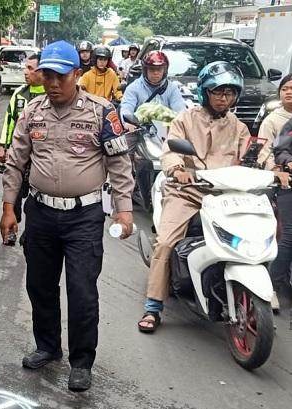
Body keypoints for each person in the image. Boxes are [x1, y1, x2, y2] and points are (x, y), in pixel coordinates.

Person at [0, 40, 135, 392]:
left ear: (77, 73)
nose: (53, 83)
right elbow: (15, 161)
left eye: (61, 75)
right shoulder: (32, 111)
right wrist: (8, 208)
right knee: (39, 286)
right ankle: (47, 346)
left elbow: (119, 163)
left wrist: (124, 211)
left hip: (84, 216)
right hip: (41, 213)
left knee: (81, 291)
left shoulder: (102, 112)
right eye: (47, 75)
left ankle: (81, 361)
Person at [136, 62, 289, 332]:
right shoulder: (186, 119)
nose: (223, 98)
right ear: (205, 92)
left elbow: (258, 154)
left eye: (229, 93)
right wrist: (177, 168)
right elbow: (171, 148)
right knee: (165, 243)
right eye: (218, 92)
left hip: (226, 193)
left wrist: (276, 170)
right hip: (188, 191)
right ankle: (153, 306)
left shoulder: (239, 127)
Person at [0, 53, 45, 222]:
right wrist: (3, 145)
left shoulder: (50, 96)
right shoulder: (19, 94)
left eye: (30, 68)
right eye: (26, 67)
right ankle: (11, 224)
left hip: (40, 157)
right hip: (18, 154)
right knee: (13, 191)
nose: (25, 72)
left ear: (41, 72)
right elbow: (9, 121)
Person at [259, 74, 292, 309]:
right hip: (281, 181)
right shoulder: (275, 121)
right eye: (286, 88)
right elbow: (270, 151)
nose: (289, 92)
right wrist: (278, 170)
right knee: (288, 234)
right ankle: (269, 286)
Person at [120, 51, 187, 121]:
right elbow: (126, 109)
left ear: (165, 71)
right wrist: (128, 123)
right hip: (139, 129)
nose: (155, 73)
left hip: (168, 130)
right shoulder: (133, 88)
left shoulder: (172, 89)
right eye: (152, 69)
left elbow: (181, 112)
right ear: (145, 70)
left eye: (159, 69)